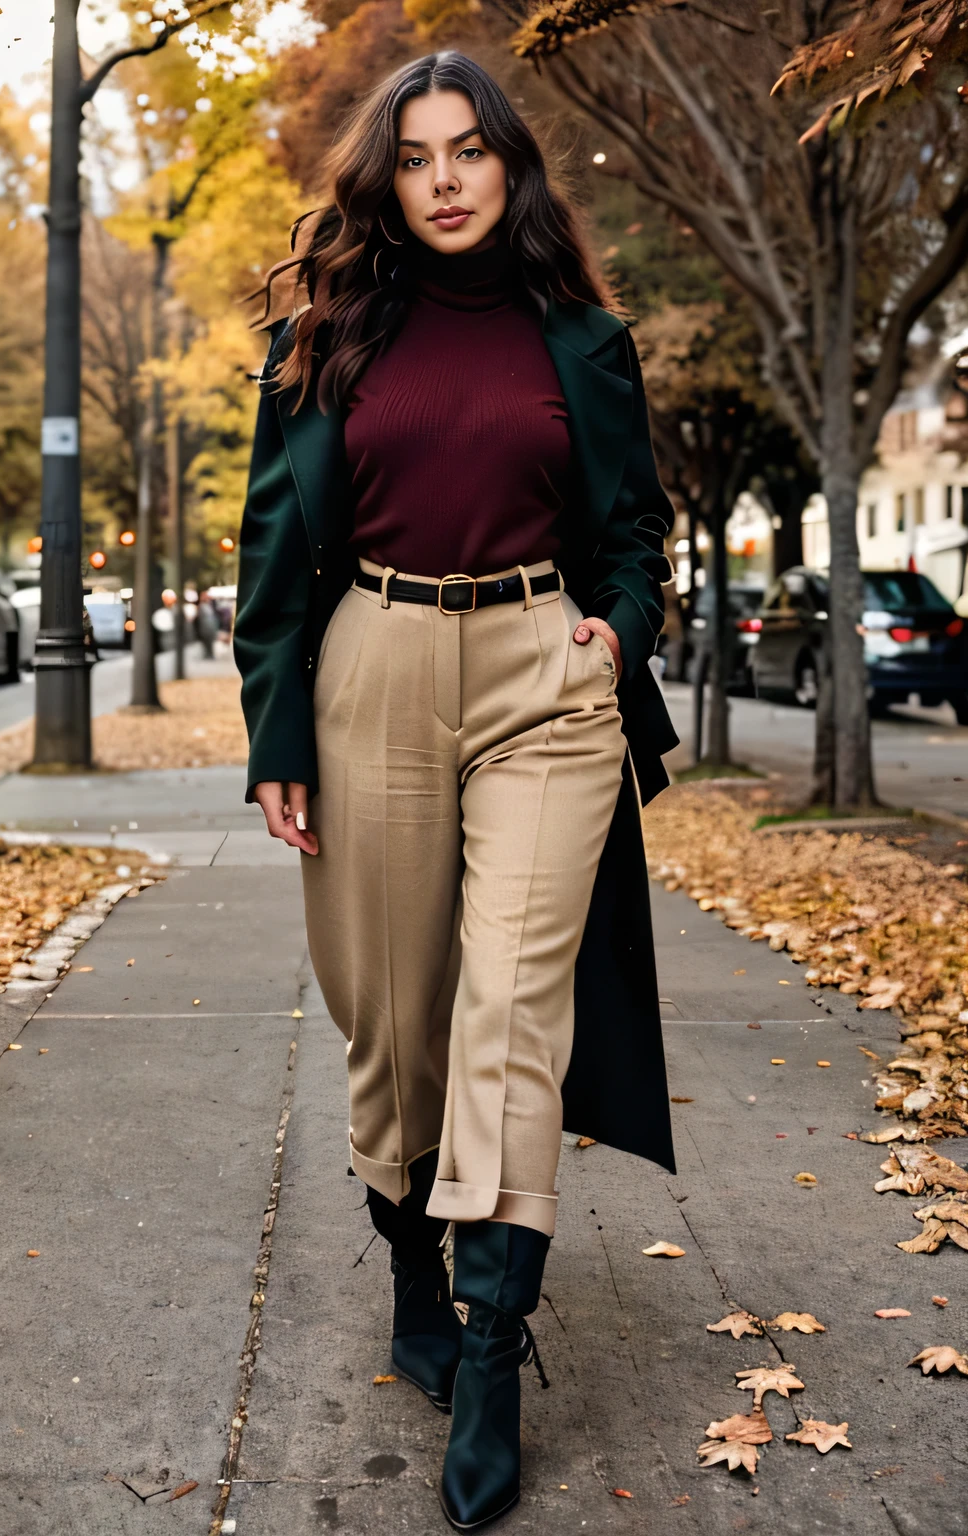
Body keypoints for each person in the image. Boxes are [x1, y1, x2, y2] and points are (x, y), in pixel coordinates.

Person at [235, 51, 678, 1532]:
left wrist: (618, 627)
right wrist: (276, 732)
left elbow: (634, 526)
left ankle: (490, 1346)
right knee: (395, 1014)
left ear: (510, 167)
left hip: (544, 676)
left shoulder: (584, 341)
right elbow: (269, 562)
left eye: (468, 150)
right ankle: (416, 1274)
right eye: (415, 154)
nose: (442, 177)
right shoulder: (323, 341)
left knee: (510, 1009)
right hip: (372, 660)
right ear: (388, 176)